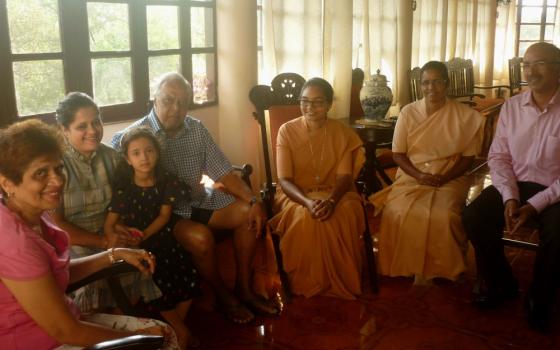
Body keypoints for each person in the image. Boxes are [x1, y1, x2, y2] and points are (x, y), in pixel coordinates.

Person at [111, 72, 279, 324]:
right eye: (168, 100)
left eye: (182, 102)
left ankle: (244, 288)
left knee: (247, 214)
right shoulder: (131, 138)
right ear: (154, 99)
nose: (175, 108)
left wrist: (254, 201)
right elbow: (119, 192)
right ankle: (222, 295)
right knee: (201, 239)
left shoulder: (196, 129)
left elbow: (223, 171)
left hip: (198, 199)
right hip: (164, 214)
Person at [0, 119, 179, 349]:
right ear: (7, 183)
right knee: (161, 339)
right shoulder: (14, 242)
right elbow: (66, 331)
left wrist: (113, 254)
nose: (57, 180)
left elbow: (52, 276)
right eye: (41, 173)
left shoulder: (33, 212)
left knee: (161, 332)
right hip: (40, 341)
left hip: (63, 323)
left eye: (58, 168)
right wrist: (139, 339)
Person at [462, 42, 560, 331]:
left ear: (558, 67)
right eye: (526, 64)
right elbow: (499, 156)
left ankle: (541, 296)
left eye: (539, 63)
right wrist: (510, 198)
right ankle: (499, 281)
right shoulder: (512, 107)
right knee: (474, 216)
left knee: (558, 233)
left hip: (554, 192)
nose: (531, 71)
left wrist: (535, 205)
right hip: (515, 184)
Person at [371, 61, 484, 284]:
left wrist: (447, 177)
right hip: (413, 174)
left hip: (451, 174)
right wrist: (418, 175)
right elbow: (398, 154)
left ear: (447, 84)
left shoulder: (465, 115)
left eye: (437, 82)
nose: (431, 88)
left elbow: (468, 158)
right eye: (425, 83)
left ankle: (443, 268)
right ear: (420, 86)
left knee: (443, 215)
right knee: (398, 210)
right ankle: (404, 266)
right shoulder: (408, 112)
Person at [51, 92, 161, 312]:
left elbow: (121, 203)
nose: (92, 131)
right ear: (64, 130)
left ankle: (125, 322)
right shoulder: (56, 166)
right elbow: (55, 225)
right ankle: (99, 331)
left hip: (109, 232)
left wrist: (119, 228)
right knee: (96, 280)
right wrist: (102, 242)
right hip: (72, 242)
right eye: (82, 126)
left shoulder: (112, 158)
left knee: (141, 259)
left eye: (96, 122)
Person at [268, 77, 365, 299]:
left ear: (330, 104)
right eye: (305, 101)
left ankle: (339, 278)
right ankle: (308, 281)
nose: (310, 107)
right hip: (296, 195)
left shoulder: (342, 133)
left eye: (318, 102)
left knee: (343, 213)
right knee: (306, 217)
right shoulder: (287, 131)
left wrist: (331, 201)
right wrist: (309, 202)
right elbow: (284, 179)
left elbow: (344, 177)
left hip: (337, 193)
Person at [105, 126, 200, 348]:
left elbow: (165, 215)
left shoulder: (166, 181)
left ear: (157, 153)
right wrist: (124, 232)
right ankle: (179, 332)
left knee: (189, 273)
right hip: (135, 242)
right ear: (127, 159)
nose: (144, 157)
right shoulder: (124, 188)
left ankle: (176, 330)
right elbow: (110, 224)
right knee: (155, 275)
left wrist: (146, 234)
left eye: (149, 151)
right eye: (136, 153)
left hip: (159, 234)